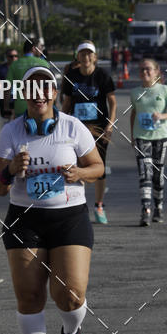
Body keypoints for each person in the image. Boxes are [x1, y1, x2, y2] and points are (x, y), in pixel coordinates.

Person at [0, 66, 104, 334]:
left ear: (53, 94)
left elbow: (98, 167)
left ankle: (71, 332)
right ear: (24, 94)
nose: (39, 94)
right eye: (32, 89)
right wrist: (10, 170)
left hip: (68, 218)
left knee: (69, 294)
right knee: (29, 296)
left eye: (45, 88)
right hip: (24, 220)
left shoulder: (72, 127)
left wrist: (79, 173)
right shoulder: (11, 132)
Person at [61, 41, 116, 225]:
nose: (86, 57)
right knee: (76, 167)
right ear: (78, 56)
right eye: (82, 54)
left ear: (94, 57)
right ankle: (78, 206)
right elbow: (67, 104)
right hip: (77, 129)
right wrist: (60, 123)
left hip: (98, 128)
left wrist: (110, 124)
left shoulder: (102, 75)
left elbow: (112, 102)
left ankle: (99, 205)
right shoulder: (71, 76)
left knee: (98, 167)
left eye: (89, 54)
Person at [129, 58, 167, 225]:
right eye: (142, 69)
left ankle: (158, 207)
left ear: (157, 71)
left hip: (160, 137)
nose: (145, 72)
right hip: (141, 137)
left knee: (157, 176)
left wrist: (162, 115)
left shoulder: (165, 91)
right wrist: (132, 136)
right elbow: (133, 114)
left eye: (148, 69)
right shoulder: (135, 92)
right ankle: (145, 210)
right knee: (145, 174)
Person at [8, 38, 47, 118]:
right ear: (33, 48)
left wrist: (6, 106)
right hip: (40, 107)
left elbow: (7, 87)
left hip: (20, 107)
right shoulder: (44, 64)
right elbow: (50, 87)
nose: (41, 50)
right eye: (40, 48)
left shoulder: (14, 65)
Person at [0, 49, 19, 123]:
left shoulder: (20, 67)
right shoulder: (1, 67)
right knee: (6, 118)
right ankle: (6, 132)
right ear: (7, 57)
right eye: (11, 56)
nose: (14, 58)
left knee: (18, 118)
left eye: (15, 56)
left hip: (18, 96)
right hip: (5, 95)